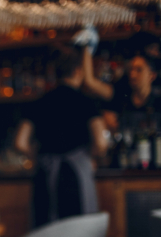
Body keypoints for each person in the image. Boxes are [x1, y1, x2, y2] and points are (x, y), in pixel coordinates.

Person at [15, 47, 108, 227]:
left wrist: (37, 155)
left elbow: (20, 142)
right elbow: (101, 142)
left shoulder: (40, 102)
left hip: (45, 174)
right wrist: (90, 156)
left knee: (46, 231)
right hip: (76, 176)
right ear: (78, 72)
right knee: (79, 232)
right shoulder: (86, 102)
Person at [82, 47, 159, 132]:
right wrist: (87, 47)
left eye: (139, 70)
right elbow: (90, 82)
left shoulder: (158, 100)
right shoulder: (120, 94)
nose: (132, 74)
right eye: (131, 69)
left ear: (152, 75)